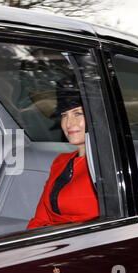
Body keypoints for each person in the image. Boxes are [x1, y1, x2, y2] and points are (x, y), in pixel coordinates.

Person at [27, 76, 99, 229]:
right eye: (64, 115)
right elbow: (40, 218)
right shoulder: (61, 161)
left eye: (77, 113)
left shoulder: (105, 163)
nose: (69, 123)